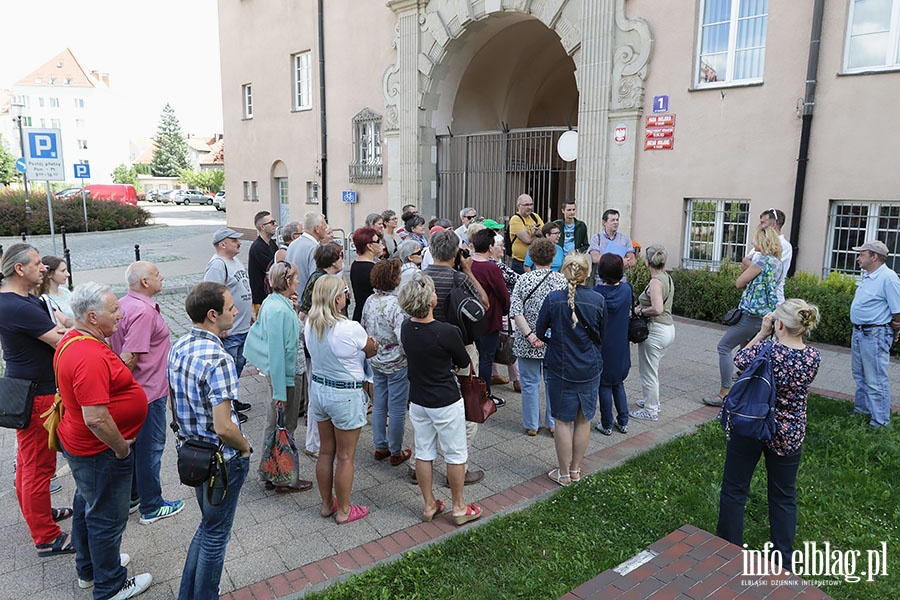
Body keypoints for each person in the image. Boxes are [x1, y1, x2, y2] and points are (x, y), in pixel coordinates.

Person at [57, 283, 152, 599]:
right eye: (114, 311)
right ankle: (110, 585)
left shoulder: (76, 339)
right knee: (107, 519)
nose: (121, 315)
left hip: (84, 448)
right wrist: (121, 447)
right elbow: (96, 418)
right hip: (101, 451)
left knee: (88, 506)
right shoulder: (88, 354)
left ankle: (91, 569)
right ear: (94, 316)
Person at [716, 299, 822, 566]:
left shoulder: (767, 349)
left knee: (735, 489)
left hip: (753, 424)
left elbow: (739, 359)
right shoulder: (813, 357)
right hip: (789, 431)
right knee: (784, 495)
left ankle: (729, 551)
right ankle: (783, 561)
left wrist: (762, 333)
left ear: (780, 324)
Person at [168, 282, 253, 600]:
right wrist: (244, 447)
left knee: (207, 527)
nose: (236, 311)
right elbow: (223, 426)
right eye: (231, 307)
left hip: (192, 454)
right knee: (216, 535)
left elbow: (174, 402)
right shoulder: (220, 359)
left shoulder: (179, 346)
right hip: (221, 461)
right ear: (213, 314)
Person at [0, 244, 69, 557]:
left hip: (34, 389)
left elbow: (60, 324)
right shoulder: (16, 307)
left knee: (31, 464)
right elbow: (61, 340)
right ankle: (45, 536)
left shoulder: (26, 299)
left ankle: (39, 513)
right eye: (38, 263)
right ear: (20, 269)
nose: (44, 268)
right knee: (37, 468)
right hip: (37, 395)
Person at [398, 272, 483, 525]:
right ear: (430, 301)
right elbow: (463, 361)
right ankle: (458, 507)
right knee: (455, 453)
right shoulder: (446, 331)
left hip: (418, 399)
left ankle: (429, 504)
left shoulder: (406, 327)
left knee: (424, 451)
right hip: (445, 399)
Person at [108, 262, 185, 525]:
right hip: (147, 392)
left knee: (135, 448)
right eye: (156, 274)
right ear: (144, 282)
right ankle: (151, 506)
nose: (161, 277)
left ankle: (133, 497)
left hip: (137, 392)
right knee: (150, 450)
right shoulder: (142, 311)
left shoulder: (125, 304)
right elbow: (129, 356)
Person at [305, 275, 378, 524]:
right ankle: (345, 510)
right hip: (345, 394)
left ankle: (327, 504)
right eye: (345, 292)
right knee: (346, 456)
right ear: (338, 298)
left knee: (326, 451)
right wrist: (373, 345)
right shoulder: (348, 327)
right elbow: (371, 348)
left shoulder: (310, 324)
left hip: (320, 390)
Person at [424, 229, 490, 485]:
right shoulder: (458, 277)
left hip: (427, 346)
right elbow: (483, 304)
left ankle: (418, 464)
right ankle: (458, 469)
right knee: (468, 406)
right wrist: (468, 270)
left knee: (426, 408)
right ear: (455, 253)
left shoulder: (421, 275)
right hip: (459, 347)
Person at [242, 261, 313, 492]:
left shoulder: (274, 303)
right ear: (287, 282)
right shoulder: (278, 310)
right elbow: (278, 352)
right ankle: (283, 477)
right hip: (287, 376)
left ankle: (269, 473)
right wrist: (281, 391)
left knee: (274, 424)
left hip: (284, 375)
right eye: (295, 278)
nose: (299, 281)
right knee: (285, 426)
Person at [536, 252, 605, 486]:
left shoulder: (554, 299)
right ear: (587, 273)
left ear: (564, 272)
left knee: (562, 421)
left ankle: (564, 474)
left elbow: (539, 331)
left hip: (560, 366)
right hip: (589, 366)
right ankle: (575, 469)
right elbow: (601, 334)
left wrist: (553, 340)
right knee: (583, 419)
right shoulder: (598, 300)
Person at [704, 228, 783, 407]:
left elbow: (739, 282)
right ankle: (748, 392)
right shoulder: (778, 262)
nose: (752, 243)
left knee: (724, 347)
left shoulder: (761, 259)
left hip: (752, 316)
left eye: (755, 240)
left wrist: (748, 264)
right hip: (767, 316)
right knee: (749, 353)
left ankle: (725, 392)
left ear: (762, 241)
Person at [510, 238, 567, 436]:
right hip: (554, 340)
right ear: (553, 257)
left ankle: (531, 424)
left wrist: (530, 336)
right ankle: (552, 423)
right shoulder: (561, 280)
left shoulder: (523, 280)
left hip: (527, 341)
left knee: (528, 382)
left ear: (532, 257)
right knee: (554, 382)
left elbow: (516, 311)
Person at [361, 259, 412, 466]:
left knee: (380, 403)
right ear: (394, 279)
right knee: (397, 407)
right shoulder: (397, 305)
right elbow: (403, 337)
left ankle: (380, 445)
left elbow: (364, 327)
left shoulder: (369, 300)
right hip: (397, 361)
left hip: (376, 358)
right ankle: (395, 449)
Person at [848, 240, 900, 428]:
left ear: (874, 257)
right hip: (861, 332)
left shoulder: (888, 277)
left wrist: (897, 327)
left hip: (875, 333)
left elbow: (898, 309)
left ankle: (880, 423)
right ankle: (862, 412)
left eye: (862, 254)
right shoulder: (870, 276)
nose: (858, 258)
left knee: (875, 379)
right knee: (860, 375)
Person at [630, 245, 676, 421]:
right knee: (652, 368)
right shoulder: (667, 277)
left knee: (648, 371)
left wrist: (639, 311)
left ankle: (650, 410)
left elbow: (657, 308)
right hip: (668, 328)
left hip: (657, 329)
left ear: (647, 262)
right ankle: (651, 400)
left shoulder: (656, 282)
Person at [203, 228, 253, 387]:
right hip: (230, 331)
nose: (239, 243)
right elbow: (210, 296)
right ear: (223, 244)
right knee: (228, 371)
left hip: (242, 326)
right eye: (234, 241)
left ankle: (233, 401)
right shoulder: (218, 265)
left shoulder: (234, 261)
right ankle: (227, 406)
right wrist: (218, 325)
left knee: (238, 365)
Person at [469, 228, 511, 404]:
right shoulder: (491, 267)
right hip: (489, 318)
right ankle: (484, 396)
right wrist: (506, 310)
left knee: (474, 357)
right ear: (489, 246)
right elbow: (503, 294)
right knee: (486, 358)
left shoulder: (468, 263)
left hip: (469, 318)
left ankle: (471, 392)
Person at [592, 254, 632, 435]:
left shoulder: (596, 294)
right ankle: (623, 420)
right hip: (621, 346)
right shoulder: (626, 290)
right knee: (618, 383)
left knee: (604, 385)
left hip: (602, 346)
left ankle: (606, 423)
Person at [488, 227, 521, 392]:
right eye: (500, 245)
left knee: (493, 341)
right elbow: (518, 279)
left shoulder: (487, 264)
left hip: (492, 310)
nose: (503, 248)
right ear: (491, 248)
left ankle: (494, 374)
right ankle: (517, 379)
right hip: (503, 310)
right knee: (510, 341)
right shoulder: (498, 267)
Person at [744, 208, 792, 304]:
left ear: (773, 225)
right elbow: (746, 269)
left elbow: (770, 273)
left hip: (771, 300)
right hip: (753, 299)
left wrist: (749, 263)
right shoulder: (761, 243)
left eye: (762, 223)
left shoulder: (784, 246)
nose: (759, 226)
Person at [286, 211, 333, 292]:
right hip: (306, 299)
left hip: (292, 296)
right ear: (317, 229)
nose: (326, 230)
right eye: (324, 227)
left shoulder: (293, 244)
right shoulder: (314, 248)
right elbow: (316, 279)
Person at [589, 209, 636, 283]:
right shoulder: (597, 238)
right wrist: (620, 261)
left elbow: (632, 261)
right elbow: (595, 258)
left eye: (617, 220)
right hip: (601, 281)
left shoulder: (625, 239)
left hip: (621, 280)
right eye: (612, 220)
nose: (616, 222)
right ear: (604, 222)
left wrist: (605, 259)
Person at [299, 242, 345, 317]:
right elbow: (306, 309)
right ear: (333, 261)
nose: (342, 259)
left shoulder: (323, 276)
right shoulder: (320, 279)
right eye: (341, 256)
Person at [247, 211, 279, 315]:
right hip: (261, 300)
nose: (275, 225)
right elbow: (273, 269)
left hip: (270, 297)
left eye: (274, 222)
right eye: (271, 223)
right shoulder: (258, 248)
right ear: (262, 227)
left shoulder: (272, 244)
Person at [350, 226, 383, 321]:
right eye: (377, 241)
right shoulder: (372, 268)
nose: (381, 244)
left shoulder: (355, 264)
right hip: (371, 316)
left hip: (360, 312)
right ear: (369, 246)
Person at [508, 193, 544, 274]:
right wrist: (537, 234)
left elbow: (545, 233)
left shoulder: (535, 216)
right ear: (518, 206)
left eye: (531, 204)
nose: (530, 207)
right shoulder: (515, 219)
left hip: (535, 262)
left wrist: (535, 234)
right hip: (521, 262)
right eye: (526, 205)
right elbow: (527, 240)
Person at [39, 255, 75, 326]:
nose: (68, 274)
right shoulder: (46, 300)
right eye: (63, 271)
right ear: (49, 274)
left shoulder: (65, 291)